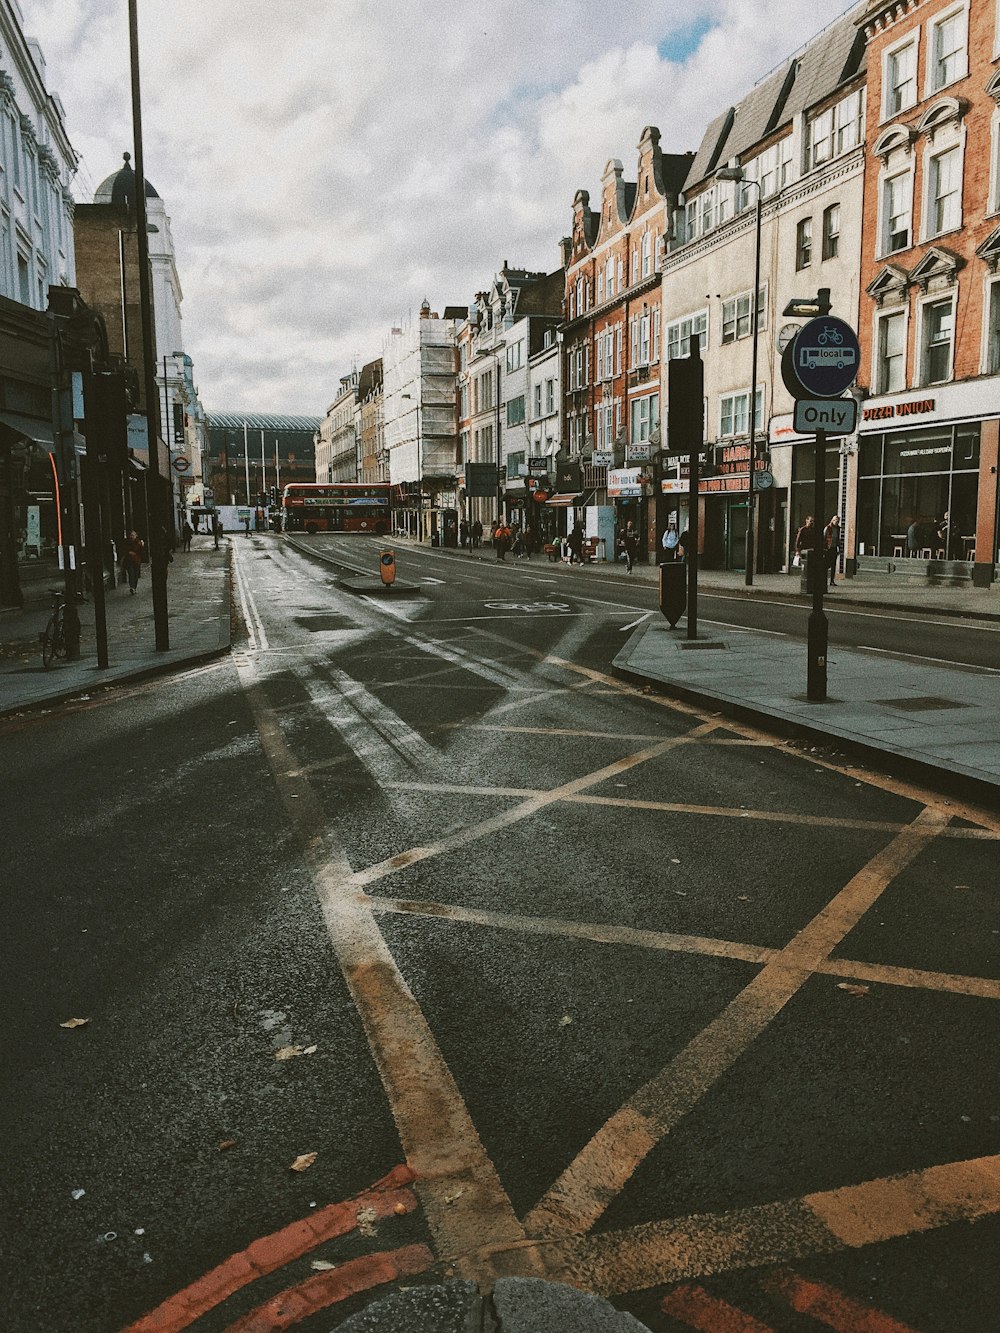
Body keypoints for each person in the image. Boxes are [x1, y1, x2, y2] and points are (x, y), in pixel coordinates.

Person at [121, 530, 144, 594]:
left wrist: (142, 546)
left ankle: (134, 587)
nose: (132, 536)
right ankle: (132, 587)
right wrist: (128, 552)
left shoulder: (139, 542)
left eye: (133, 535)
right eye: (131, 535)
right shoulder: (127, 542)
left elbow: (141, 552)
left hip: (136, 561)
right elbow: (123, 550)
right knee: (131, 574)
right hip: (129, 561)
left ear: (136, 535)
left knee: (136, 575)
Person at [824, 514, 841, 588]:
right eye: (835, 521)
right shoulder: (828, 528)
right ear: (832, 520)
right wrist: (824, 548)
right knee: (827, 564)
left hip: (834, 548)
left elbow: (838, 539)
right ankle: (824, 579)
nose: (836, 522)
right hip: (828, 548)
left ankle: (832, 581)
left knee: (833, 564)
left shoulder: (838, 528)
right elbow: (824, 538)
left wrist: (839, 548)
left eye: (838, 521)